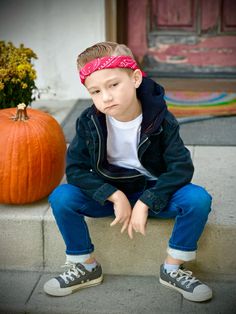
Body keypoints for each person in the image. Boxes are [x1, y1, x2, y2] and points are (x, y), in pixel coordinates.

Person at [44, 41, 212, 302]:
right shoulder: (88, 121)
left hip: (155, 192)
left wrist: (148, 201)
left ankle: (173, 267)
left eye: (113, 85)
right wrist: (113, 195)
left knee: (197, 199)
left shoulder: (160, 119)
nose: (106, 97)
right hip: (111, 192)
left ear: (135, 78)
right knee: (62, 197)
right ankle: (86, 266)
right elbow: (75, 169)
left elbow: (181, 167)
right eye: (96, 91)